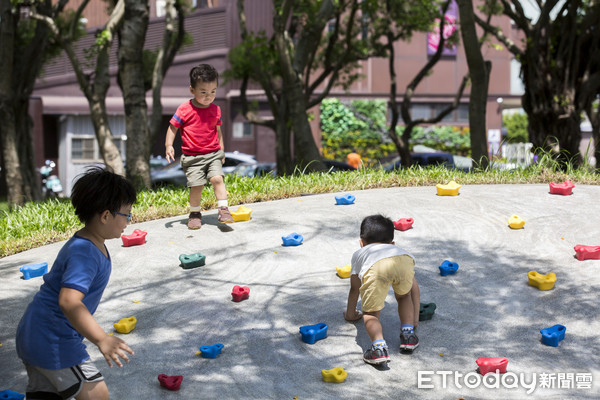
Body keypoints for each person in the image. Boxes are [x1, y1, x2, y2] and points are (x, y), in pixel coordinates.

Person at [16, 167, 137, 399]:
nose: (129, 221)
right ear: (105, 216)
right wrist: (102, 339)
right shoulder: (85, 252)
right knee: (97, 395)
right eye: (127, 214)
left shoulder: (88, 242)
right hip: (54, 339)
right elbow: (69, 301)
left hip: (35, 333)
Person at [344, 214, 420, 365]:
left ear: (361, 243)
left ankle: (378, 348)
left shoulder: (360, 253)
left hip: (376, 267)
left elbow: (355, 288)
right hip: (404, 261)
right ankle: (408, 334)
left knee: (371, 314)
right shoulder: (398, 250)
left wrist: (351, 314)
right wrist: (414, 320)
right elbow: (414, 289)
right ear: (392, 242)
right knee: (404, 296)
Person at [165, 63, 234, 229]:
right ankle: (195, 213)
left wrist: (222, 150)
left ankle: (223, 209)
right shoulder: (184, 109)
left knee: (217, 179)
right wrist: (169, 145)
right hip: (192, 157)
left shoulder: (216, 110)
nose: (208, 96)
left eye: (213, 92)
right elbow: (173, 127)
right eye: (203, 92)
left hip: (213, 154)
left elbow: (218, 132)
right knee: (197, 186)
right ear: (192, 90)